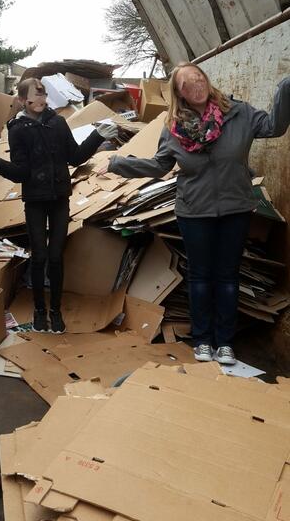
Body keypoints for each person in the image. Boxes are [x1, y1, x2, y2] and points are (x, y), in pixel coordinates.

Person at [100, 63, 290, 364]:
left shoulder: (239, 114)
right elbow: (159, 166)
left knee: (227, 277)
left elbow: (274, 127)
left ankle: (224, 342)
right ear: (180, 93)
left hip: (235, 208)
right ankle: (202, 339)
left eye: (198, 78)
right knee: (201, 278)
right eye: (187, 83)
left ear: (207, 80)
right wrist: (117, 163)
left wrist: (286, 87)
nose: (195, 85)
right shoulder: (173, 128)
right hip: (194, 211)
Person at [0, 77, 117, 334]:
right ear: (21, 100)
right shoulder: (18, 129)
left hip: (60, 199)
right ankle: (40, 310)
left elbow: (75, 157)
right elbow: (19, 173)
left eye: (43, 95)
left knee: (56, 257)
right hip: (35, 202)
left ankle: (56, 310)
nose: (41, 100)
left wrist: (97, 137)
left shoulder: (58, 123)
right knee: (39, 257)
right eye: (34, 96)